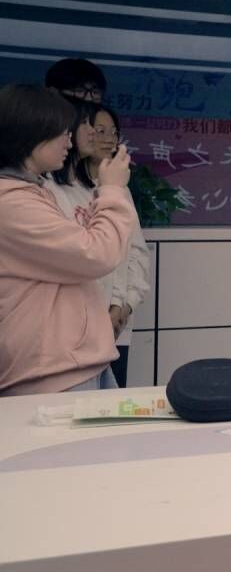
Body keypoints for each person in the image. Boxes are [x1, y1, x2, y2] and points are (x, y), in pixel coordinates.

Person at [0, 83, 136, 396]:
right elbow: (96, 254)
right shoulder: (12, 203)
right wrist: (113, 189)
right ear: (31, 134)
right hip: (51, 369)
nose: (70, 140)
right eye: (63, 131)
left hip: (71, 361)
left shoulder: (28, 193)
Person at [46, 103, 152, 386]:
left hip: (112, 321)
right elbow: (91, 254)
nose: (102, 137)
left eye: (112, 132)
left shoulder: (114, 189)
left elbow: (132, 252)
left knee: (109, 400)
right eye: (94, 128)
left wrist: (122, 305)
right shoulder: (46, 189)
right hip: (73, 329)